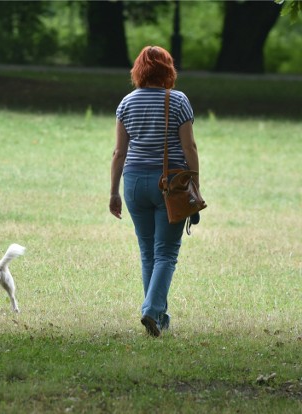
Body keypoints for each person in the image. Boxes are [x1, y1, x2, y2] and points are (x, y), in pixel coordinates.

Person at [109, 46, 200, 337]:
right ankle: (151, 309)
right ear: (167, 70)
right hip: (170, 183)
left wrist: (114, 191)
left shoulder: (126, 103)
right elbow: (189, 147)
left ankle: (158, 315)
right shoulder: (179, 101)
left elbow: (118, 153)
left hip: (134, 182)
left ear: (139, 70)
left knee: (148, 251)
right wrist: (194, 183)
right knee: (166, 253)